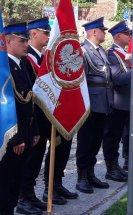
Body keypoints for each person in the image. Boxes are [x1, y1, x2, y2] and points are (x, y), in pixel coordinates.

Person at [16, 17, 78, 215]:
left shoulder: (45, 57)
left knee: (50, 153)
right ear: (33, 33)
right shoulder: (27, 60)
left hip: (50, 116)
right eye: (45, 33)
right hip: (35, 118)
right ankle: (24, 196)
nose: (49, 36)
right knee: (32, 158)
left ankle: (43, 189)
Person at [0, 22, 39, 215]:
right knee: (6, 183)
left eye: (26, 40)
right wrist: (16, 138)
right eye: (22, 40)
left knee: (16, 181)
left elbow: (31, 99)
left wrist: (35, 130)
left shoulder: (23, 63)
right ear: (7, 41)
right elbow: (5, 106)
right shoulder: (3, 67)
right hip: (12, 138)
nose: (26, 44)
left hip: (26, 132)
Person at [76, 17, 112, 193]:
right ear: (93, 32)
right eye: (102, 30)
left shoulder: (101, 51)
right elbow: (81, 80)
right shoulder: (82, 51)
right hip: (89, 103)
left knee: (96, 140)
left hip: (103, 102)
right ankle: (81, 176)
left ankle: (90, 173)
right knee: (85, 141)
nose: (105, 33)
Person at [102, 21, 132, 182]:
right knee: (112, 137)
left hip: (126, 102)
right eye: (127, 34)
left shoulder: (124, 53)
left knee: (120, 135)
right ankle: (111, 168)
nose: (130, 36)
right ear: (118, 36)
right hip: (116, 101)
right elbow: (118, 79)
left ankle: (116, 166)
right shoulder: (112, 54)